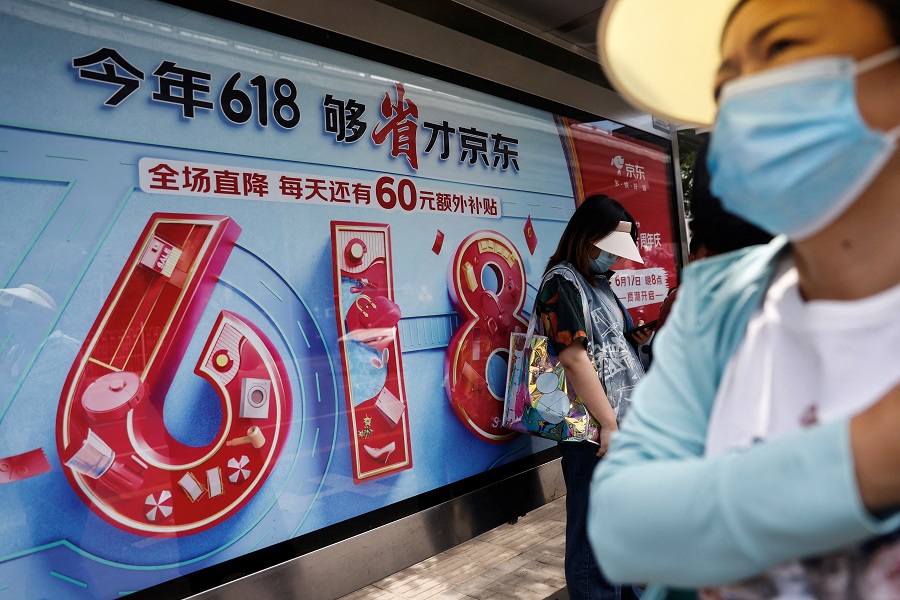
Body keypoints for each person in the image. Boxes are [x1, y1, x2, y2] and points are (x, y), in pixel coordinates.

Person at [588, 0, 900, 598]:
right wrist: (868, 459)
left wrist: (706, 521)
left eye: (782, 49)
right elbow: (625, 528)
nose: (745, 102)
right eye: (726, 86)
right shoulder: (722, 305)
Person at [534, 194, 649, 600]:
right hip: (594, 431)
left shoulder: (596, 284)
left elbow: (612, 347)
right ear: (588, 238)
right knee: (593, 535)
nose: (614, 261)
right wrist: (611, 425)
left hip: (617, 426)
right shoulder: (561, 282)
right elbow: (573, 357)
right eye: (610, 251)